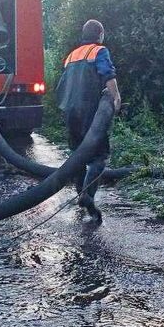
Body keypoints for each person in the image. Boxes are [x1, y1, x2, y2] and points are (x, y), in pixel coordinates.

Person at [55, 19, 122, 224]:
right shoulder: (99, 51)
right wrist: (116, 97)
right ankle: (87, 195)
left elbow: (62, 85)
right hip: (91, 113)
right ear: (100, 34)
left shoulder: (72, 56)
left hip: (71, 111)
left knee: (78, 155)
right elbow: (107, 74)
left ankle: (80, 194)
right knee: (99, 157)